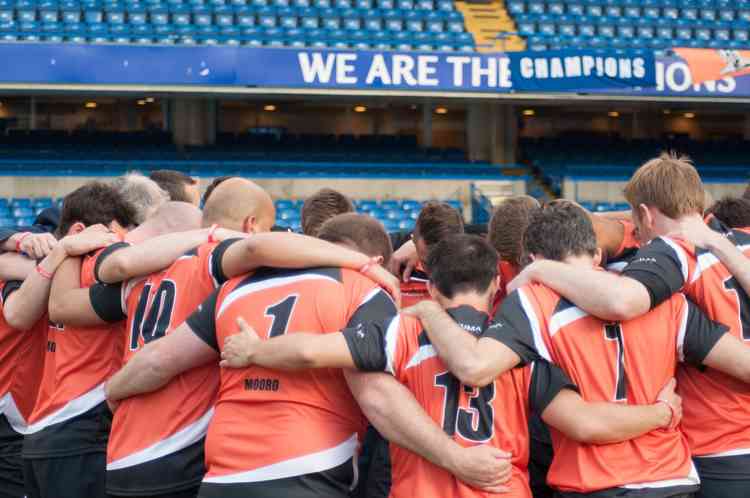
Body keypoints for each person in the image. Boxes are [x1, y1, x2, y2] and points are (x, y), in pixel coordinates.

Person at [218, 233, 683, 498]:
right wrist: (661, 413)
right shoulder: (523, 344)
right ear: (494, 288)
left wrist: (253, 352)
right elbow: (584, 422)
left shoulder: (401, 331)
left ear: (432, 288)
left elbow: (307, 353)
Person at [102, 214, 512, 498]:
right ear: (378, 260)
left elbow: (159, 361)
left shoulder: (234, 290)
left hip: (224, 474)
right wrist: (456, 459)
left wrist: (112, 389)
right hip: (307, 468)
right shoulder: (362, 290)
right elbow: (376, 397)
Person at [49, 180, 400, 498]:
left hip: (125, 450)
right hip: (183, 448)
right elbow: (254, 251)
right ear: (251, 226)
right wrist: (363, 265)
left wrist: (62, 251)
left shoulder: (151, 265)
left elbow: (63, 306)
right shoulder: (222, 269)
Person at [410, 202, 750, 497]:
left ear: (531, 260)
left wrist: (428, 310)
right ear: (597, 255)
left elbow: (474, 368)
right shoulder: (665, 300)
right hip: (672, 478)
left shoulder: (533, 302)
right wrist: (665, 411)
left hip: (597, 481)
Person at [506, 155, 750, 497]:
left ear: (647, 214)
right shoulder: (733, 243)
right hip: (687, 467)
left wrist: (540, 271)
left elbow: (621, 301)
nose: (635, 232)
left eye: (636, 217)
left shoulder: (671, 253)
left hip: (714, 443)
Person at [23, 197, 198, 498]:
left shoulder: (74, 256)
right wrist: (213, 235)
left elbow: (61, 306)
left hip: (47, 428)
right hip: (81, 425)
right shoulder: (118, 257)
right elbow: (120, 264)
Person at [0, 225, 117, 498]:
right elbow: (18, 315)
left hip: (35, 420)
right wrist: (55, 255)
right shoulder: (26, 273)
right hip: (17, 418)